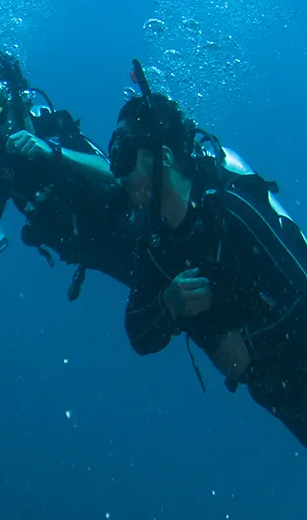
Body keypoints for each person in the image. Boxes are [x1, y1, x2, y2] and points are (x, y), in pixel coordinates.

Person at [115, 63, 307, 447]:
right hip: (285, 400)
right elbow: (139, 334)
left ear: (163, 157)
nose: (118, 174)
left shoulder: (229, 210)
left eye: (124, 158)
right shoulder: (156, 248)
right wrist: (168, 306)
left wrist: (251, 345)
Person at [0, 38, 133, 299]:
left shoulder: (55, 128)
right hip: (93, 255)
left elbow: (114, 172)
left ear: (19, 102)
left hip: (130, 228)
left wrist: (52, 152)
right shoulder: (3, 170)